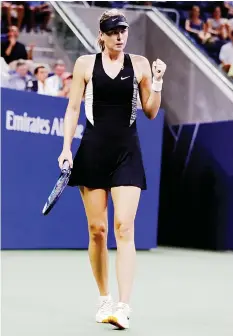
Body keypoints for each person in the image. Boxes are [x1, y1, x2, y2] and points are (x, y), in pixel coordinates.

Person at [58, 8, 166, 330]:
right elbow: (73, 108)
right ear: (102, 35)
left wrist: (157, 82)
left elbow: (149, 111)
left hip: (127, 153)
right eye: (113, 31)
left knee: (124, 227)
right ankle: (104, 297)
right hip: (92, 151)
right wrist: (66, 148)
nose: (120, 36)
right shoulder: (84, 65)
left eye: (124, 31)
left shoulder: (141, 65)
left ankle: (123, 306)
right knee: (98, 231)